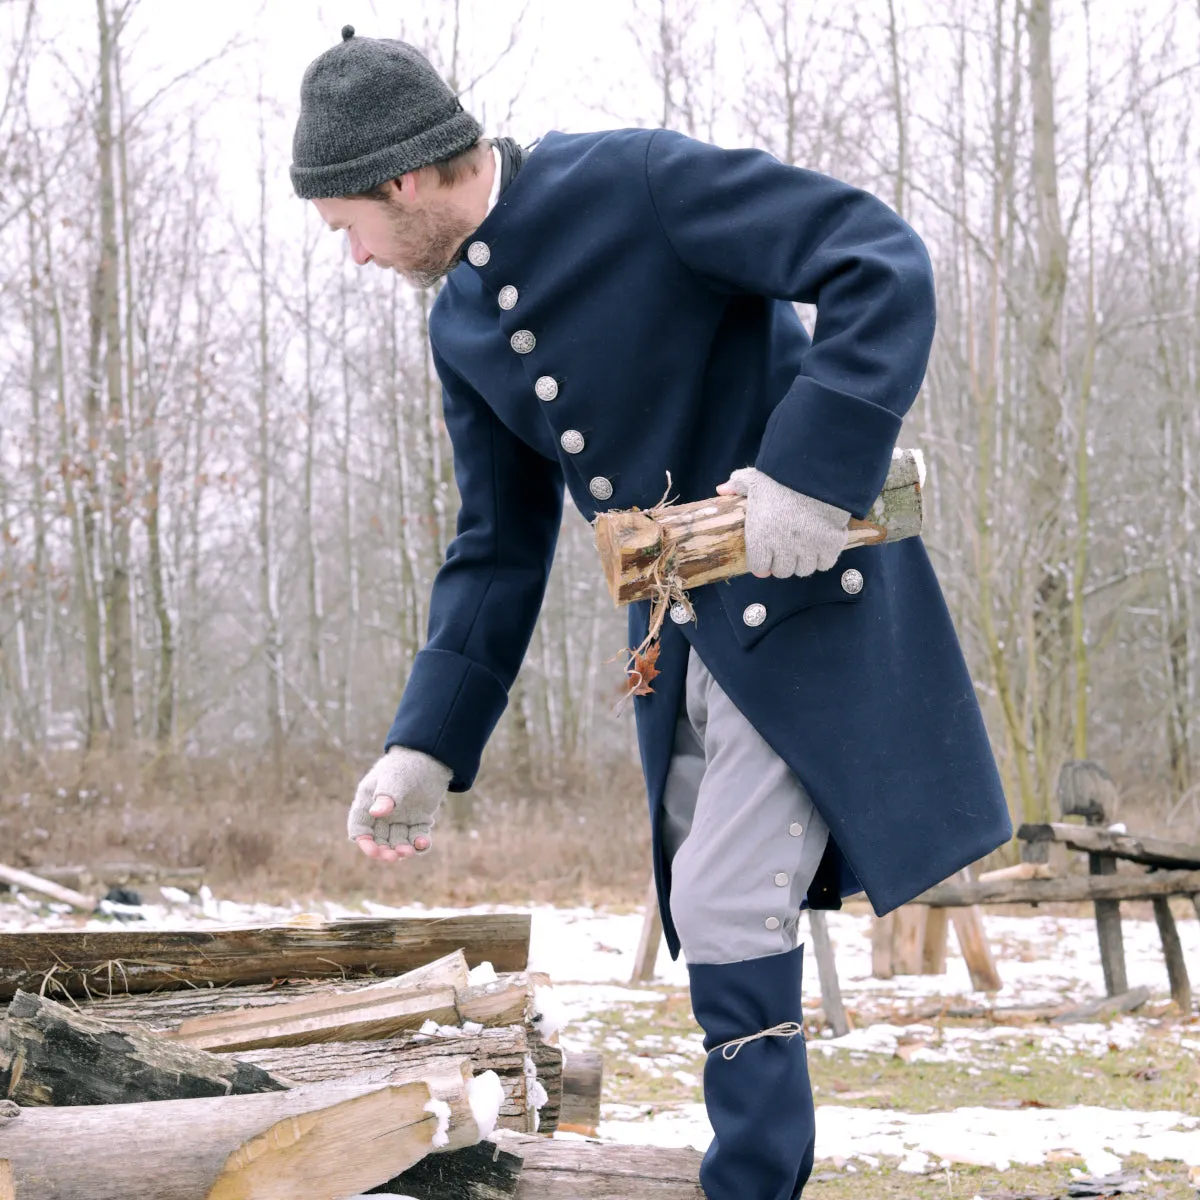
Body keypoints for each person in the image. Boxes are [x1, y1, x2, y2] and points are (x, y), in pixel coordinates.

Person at [291, 26, 1012, 1200]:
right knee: (708, 910)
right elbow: (496, 547)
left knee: (728, 902)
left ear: (402, 179)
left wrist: (811, 468)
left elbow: (877, 256)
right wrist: (426, 742)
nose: (356, 257)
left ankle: (753, 1185)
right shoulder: (457, 326)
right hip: (678, 642)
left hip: (808, 605)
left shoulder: (634, 183)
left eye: (347, 227)